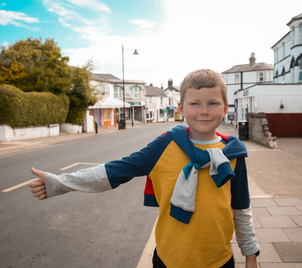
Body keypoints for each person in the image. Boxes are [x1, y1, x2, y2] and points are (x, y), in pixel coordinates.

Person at [29, 69, 260, 268]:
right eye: (195, 103)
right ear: (181, 108)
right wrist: (58, 183)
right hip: (169, 260)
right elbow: (114, 171)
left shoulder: (233, 153)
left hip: (219, 261)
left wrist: (251, 256)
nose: (204, 111)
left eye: (213, 103)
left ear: (225, 108)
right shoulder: (164, 146)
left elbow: (241, 208)